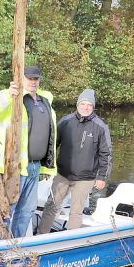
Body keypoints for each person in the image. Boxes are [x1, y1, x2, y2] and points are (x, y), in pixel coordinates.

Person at [0, 65, 56, 238]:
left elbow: (49, 135)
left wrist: (46, 168)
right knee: (7, 209)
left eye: (36, 78)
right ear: (21, 79)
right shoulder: (12, 99)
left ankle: (16, 243)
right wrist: (8, 94)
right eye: (29, 78)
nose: (33, 81)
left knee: (27, 209)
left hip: (34, 166)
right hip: (12, 167)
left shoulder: (45, 101)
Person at [37, 89, 112, 234]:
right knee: (51, 205)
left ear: (93, 107)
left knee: (76, 211)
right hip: (63, 174)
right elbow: (52, 145)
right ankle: (41, 236)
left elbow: (106, 154)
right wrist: (47, 166)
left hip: (86, 178)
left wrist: (102, 177)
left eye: (89, 105)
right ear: (77, 105)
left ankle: (71, 239)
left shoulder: (101, 127)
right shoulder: (65, 121)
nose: (85, 107)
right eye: (83, 104)